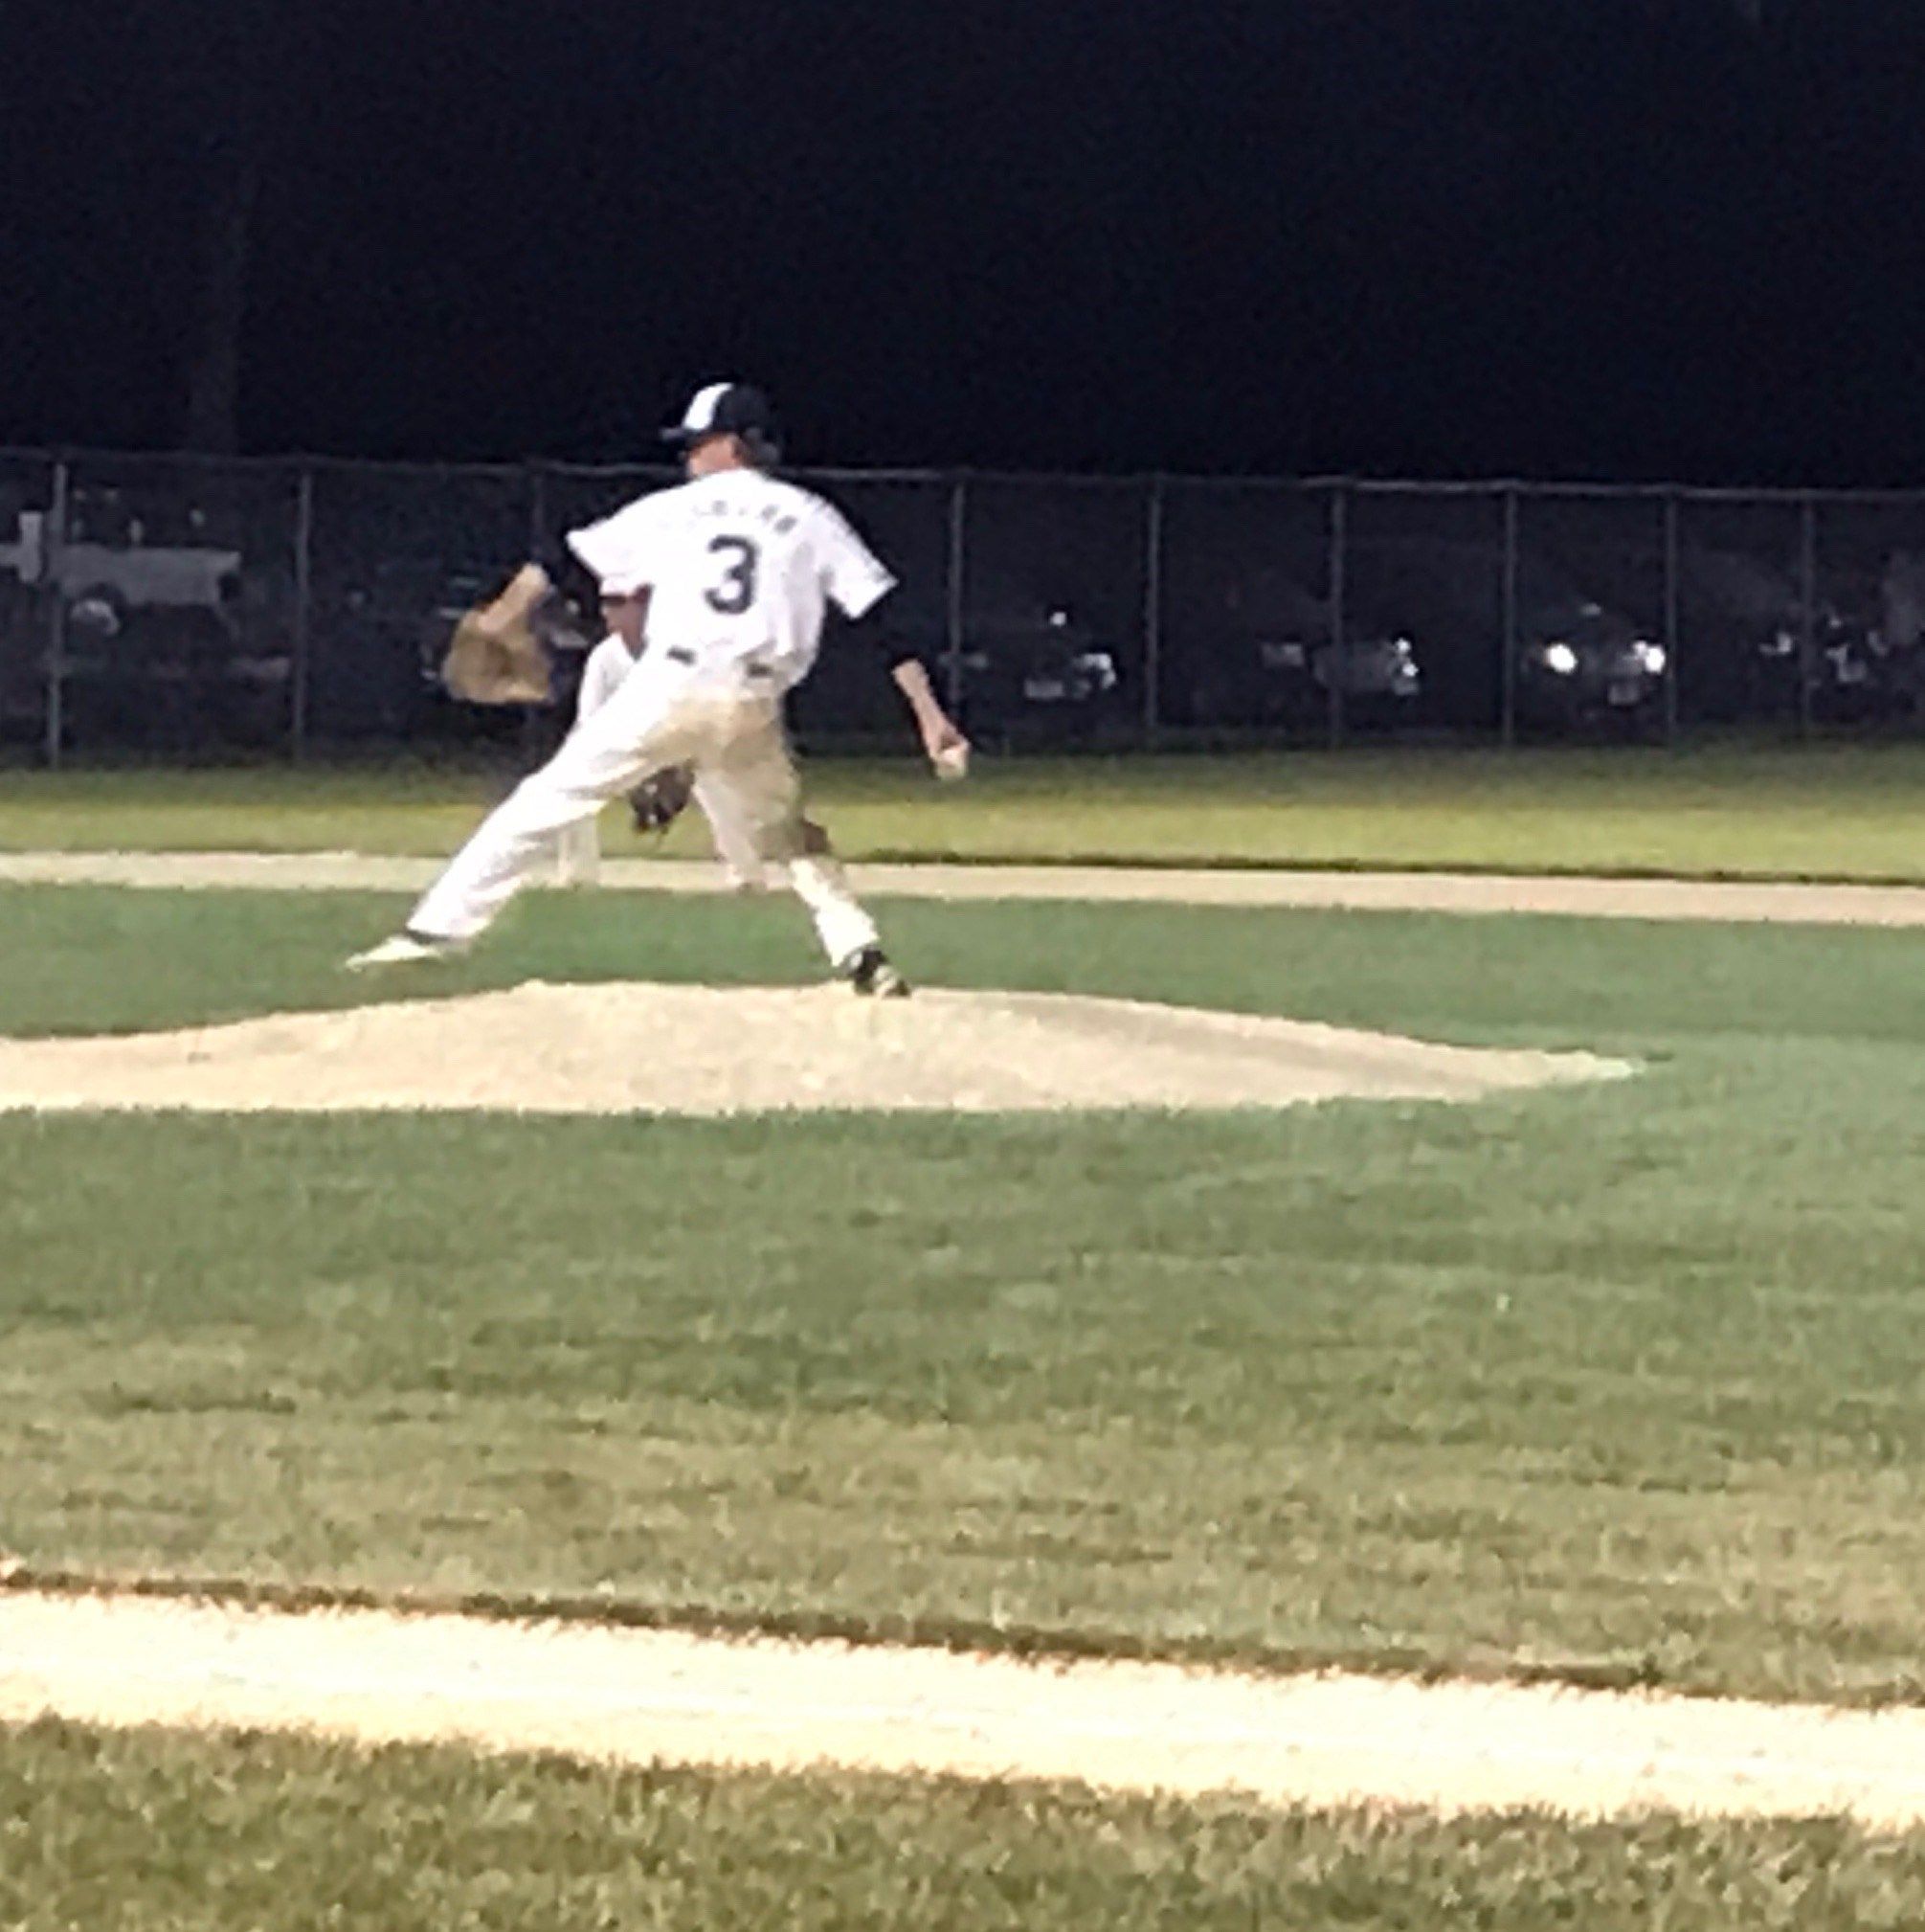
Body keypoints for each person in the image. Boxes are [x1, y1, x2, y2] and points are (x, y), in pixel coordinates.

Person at [348, 383, 968, 996]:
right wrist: (930, 717)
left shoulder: (673, 509)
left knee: (545, 799)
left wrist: (502, 616)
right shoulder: (810, 516)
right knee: (790, 835)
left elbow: (565, 559)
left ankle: (434, 932)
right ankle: (861, 952)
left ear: (731, 445)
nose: (689, 456)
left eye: (697, 443)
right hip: (753, 703)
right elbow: (884, 621)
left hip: (671, 685)